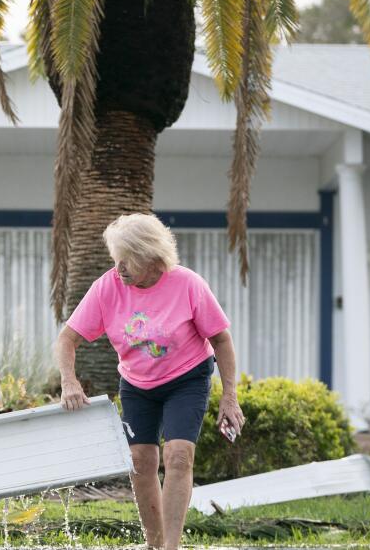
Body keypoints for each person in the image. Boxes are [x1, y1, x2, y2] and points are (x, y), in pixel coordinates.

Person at [55, 213, 244, 550]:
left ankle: (171, 547)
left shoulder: (188, 284)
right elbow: (67, 339)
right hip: (138, 384)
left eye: (128, 259)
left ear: (152, 257)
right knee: (141, 462)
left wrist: (230, 396)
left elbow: (222, 341)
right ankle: (154, 544)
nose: (119, 268)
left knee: (178, 456)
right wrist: (69, 381)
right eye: (116, 259)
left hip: (187, 379)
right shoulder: (107, 287)